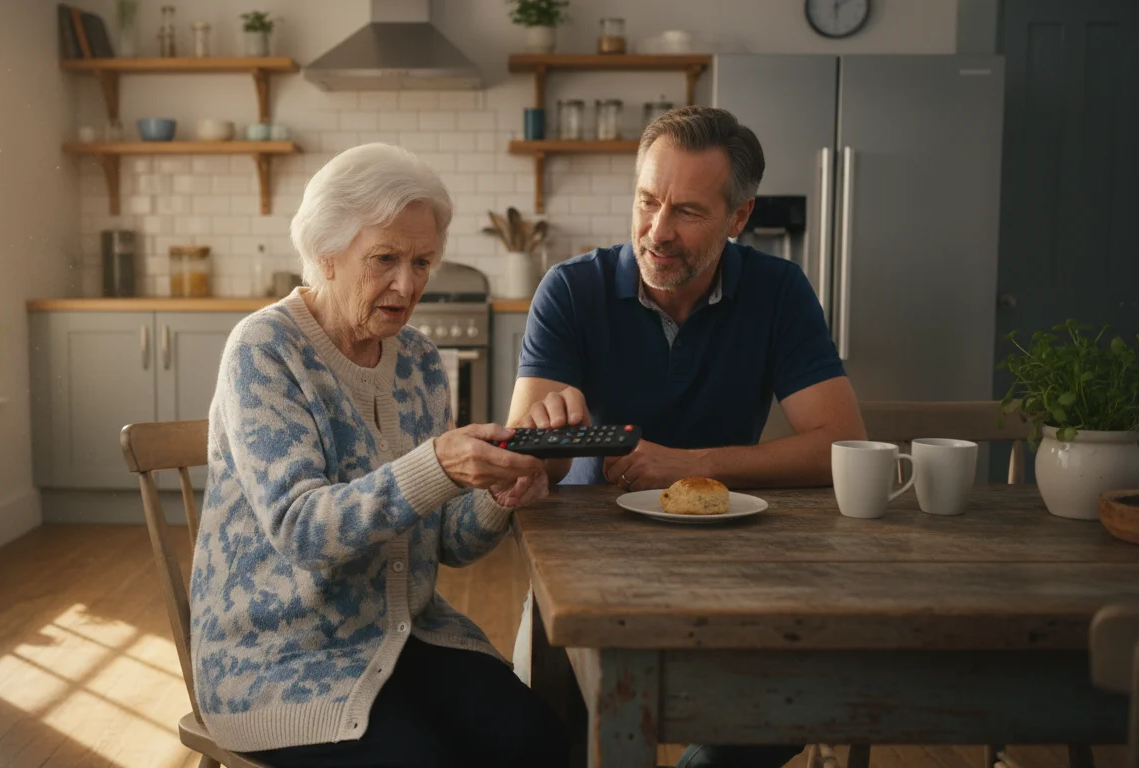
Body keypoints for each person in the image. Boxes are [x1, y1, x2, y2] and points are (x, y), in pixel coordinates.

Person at [508, 106, 867, 768]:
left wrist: (680, 464)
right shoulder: (570, 291)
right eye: (647, 202)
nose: (657, 231)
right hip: (590, 560)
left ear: (738, 218)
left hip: (737, 553)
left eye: (688, 213)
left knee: (803, 695)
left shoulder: (778, 290)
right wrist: (549, 438)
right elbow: (526, 470)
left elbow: (838, 444)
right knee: (545, 722)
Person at [191, 143, 567, 768]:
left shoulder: (417, 358)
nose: (408, 284)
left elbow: (449, 542)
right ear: (326, 254)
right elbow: (302, 530)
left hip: (401, 636)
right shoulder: (263, 349)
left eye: (423, 261)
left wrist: (501, 490)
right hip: (278, 657)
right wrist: (438, 466)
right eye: (385, 259)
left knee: (540, 741)